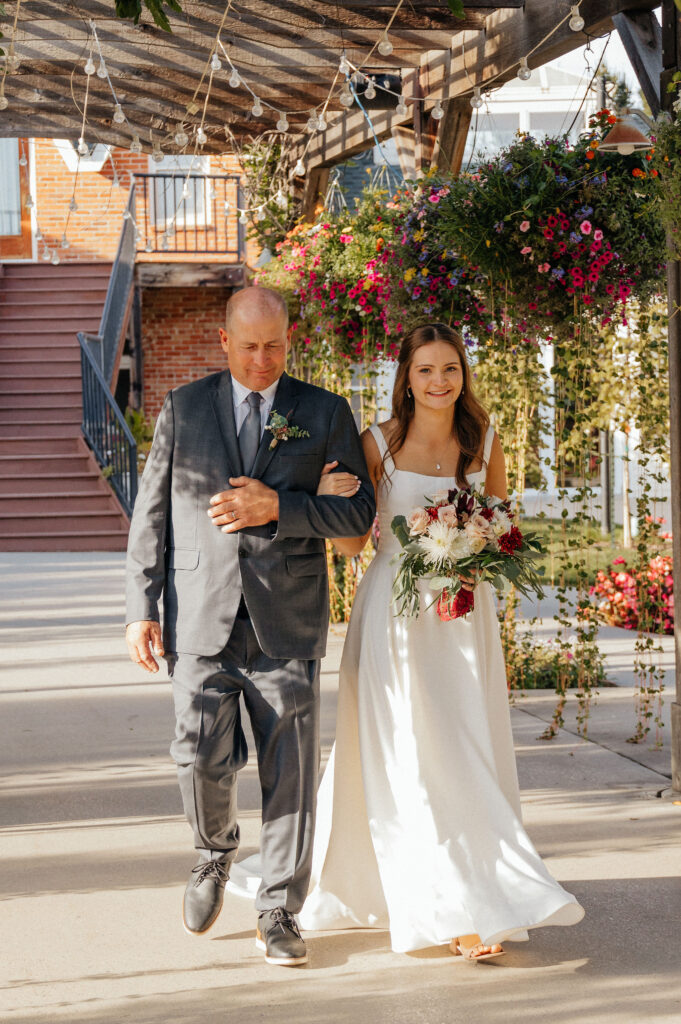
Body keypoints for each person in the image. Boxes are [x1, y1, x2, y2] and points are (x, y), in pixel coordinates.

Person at [299, 321, 585, 959]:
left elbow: (503, 530)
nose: (438, 382)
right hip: (394, 617)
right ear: (406, 377)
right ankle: (453, 908)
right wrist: (326, 496)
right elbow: (349, 544)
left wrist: (474, 545)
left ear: (464, 375)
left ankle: (482, 885)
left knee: (465, 752)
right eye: (425, 370)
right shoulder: (376, 443)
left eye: (449, 369)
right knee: (411, 753)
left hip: (463, 614)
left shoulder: (482, 440)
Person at [125, 286, 375, 967]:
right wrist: (141, 608)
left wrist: (280, 507)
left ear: (288, 341)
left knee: (287, 774)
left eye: (274, 347)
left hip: (284, 623)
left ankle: (278, 910)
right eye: (249, 347)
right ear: (224, 341)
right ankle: (212, 852)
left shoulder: (323, 412)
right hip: (200, 618)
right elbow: (152, 513)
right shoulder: (183, 407)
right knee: (198, 758)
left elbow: (356, 519)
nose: (262, 361)